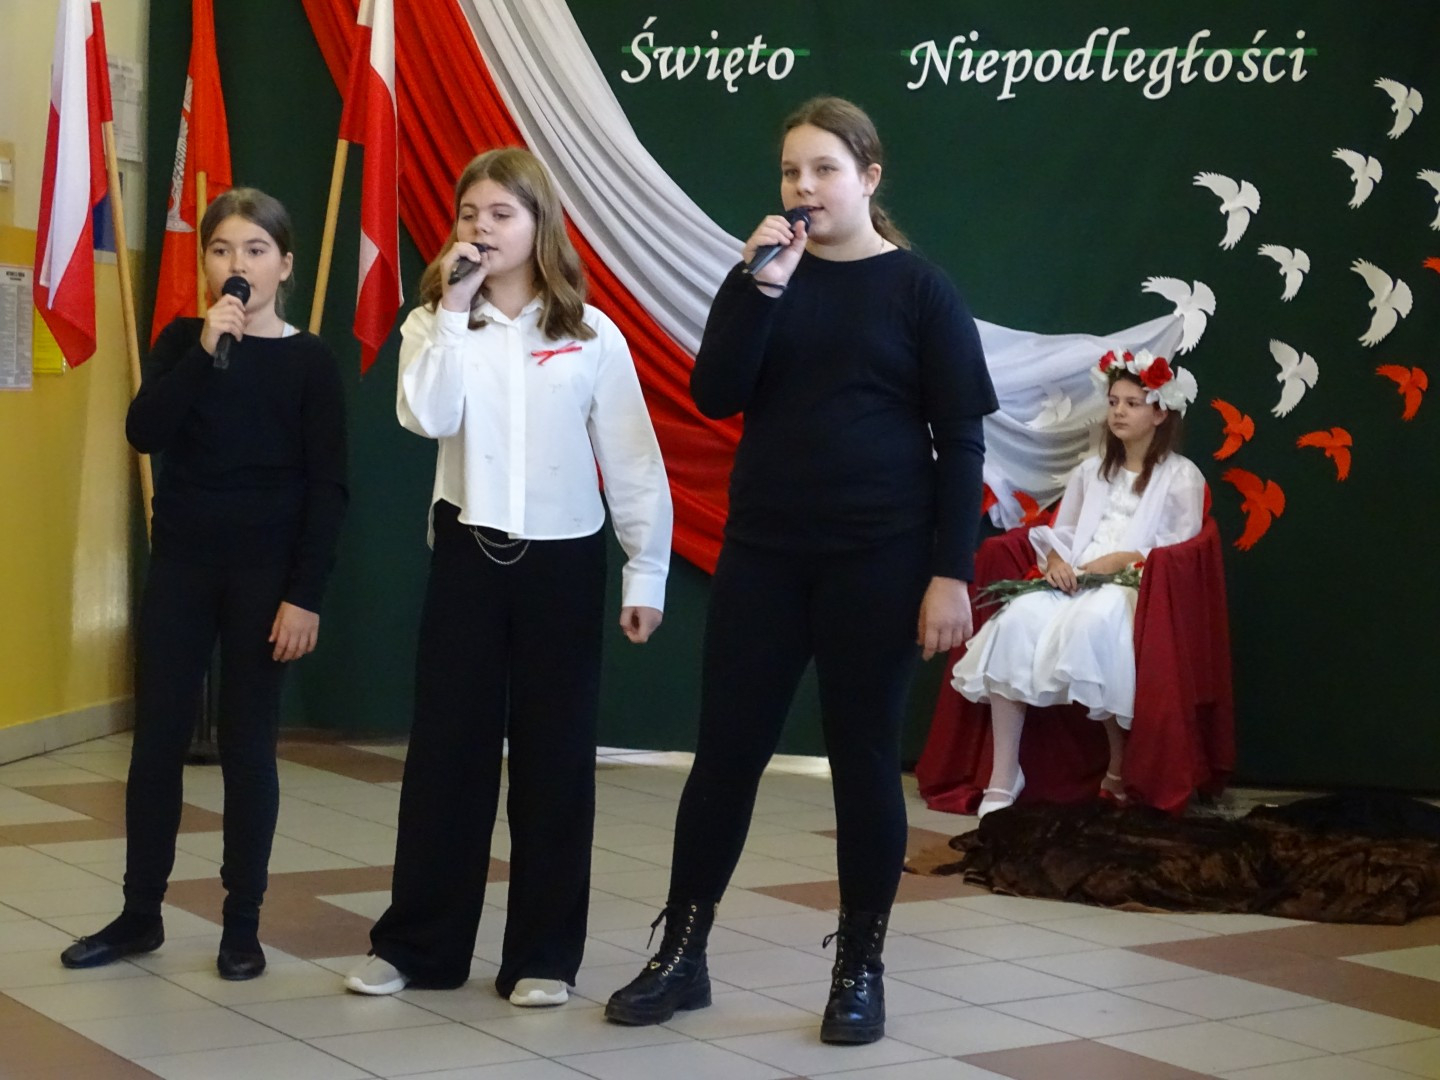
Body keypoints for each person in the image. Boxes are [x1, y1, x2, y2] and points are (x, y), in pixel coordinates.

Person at [605, 96, 996, 1045]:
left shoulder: (920, 290)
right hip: (765, 556)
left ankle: (859, 968)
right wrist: (760, 290)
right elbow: (714, 393)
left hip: (879, 558)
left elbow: (962, 442)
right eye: (791, 171)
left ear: (868, 177)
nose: (804, 188)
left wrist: (949, 575)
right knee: (726, 755)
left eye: (824, 169)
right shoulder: (763, 276)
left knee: (862, 759)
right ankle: (682, 954)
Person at [345, 148, 672, 1007]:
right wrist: (452, 311)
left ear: (538, 224)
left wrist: (646, 573)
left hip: (564, 561)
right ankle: (419, 946)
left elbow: (634, 463)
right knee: (446, 754)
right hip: (469, 553)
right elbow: (426, 416)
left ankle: (543, 957)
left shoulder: (591, 334)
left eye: (501, 213)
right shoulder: (436, 321)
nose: (483, 228)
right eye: (471, 213)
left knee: (554, 761)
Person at [60, 188, 349, 981]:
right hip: (184, 565)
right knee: (158, 741)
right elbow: (144, 430)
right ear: (206, 265)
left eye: (254, 250)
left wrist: (305, 594)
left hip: (266, 575)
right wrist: (203, 349)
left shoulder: (310, 362)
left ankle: (241, 925)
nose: (236, 265)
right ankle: (139, 914)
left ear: (284, 265)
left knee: (249, 748)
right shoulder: (182, 341)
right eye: (221, 250)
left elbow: (328, 488)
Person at [952, 351, 1203, 817]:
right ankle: (1005, 773)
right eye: (1113, 402)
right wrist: (1055, 560)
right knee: (1017, 620)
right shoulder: (1091, 470)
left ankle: (1118, 763)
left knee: (1095, 623)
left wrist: (1124, 559)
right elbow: (1063, 533)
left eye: (1132, 403)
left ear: (1159, 413)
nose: (1119, 412)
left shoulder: (1181, 476)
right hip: (1078, 578)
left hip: (1134, 586)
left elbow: (1181, 552)